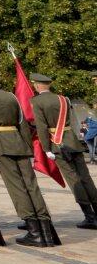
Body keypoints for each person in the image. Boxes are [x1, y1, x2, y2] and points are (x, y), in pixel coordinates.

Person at [0, 66, 55, 247]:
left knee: (16, 187)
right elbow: (22, 123)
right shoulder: (10, 96)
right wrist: (27, 146)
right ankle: (46, 230)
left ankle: (34, 231)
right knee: (31, 185)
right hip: (18, 142)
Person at [30, 73, 97, 230]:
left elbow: (41, 126)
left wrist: (46, 148)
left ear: (37, 86)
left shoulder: (37, 101)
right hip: (72, 141)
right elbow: (72, 121)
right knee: (86, 178)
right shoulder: (63, 99)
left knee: (74, 180)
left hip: (57, 144)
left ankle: (90, 217)